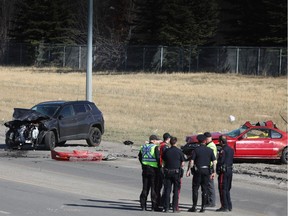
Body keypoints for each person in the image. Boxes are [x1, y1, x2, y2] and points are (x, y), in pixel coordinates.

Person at [186, 134, 217, 213]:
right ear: (205, 141)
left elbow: (192, 161)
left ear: (198, 141)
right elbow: (214, 162)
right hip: (206, 171)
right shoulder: (210, 150)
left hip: (198, 171)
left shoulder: (196, 150)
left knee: (195, 189)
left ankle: (194, 206)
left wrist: (189, 170)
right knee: (205, 189)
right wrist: (214, 172)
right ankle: (203, 207)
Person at [162, 136, 185, 213]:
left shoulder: (166, 151)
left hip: (168, 172)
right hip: (176, 173)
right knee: (176, 191)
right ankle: (175, 208)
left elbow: (163, 160)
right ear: (176, 142)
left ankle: (166, 207)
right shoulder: (179, 151)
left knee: (167, 190)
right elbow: (183, 163)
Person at [138, 134, 161, 211]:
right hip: (154, 170)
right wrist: (160, 167)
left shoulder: (143, 147)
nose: (157, 142)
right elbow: (158, 158)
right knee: (153, 188)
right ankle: (153, 207)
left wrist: (143, 164)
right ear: (154, 140)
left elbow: (140, 157)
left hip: (145, 169)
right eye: (157, 140)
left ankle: (143, 206)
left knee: (145, 188)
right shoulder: (155, 147)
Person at [216, 135, 234, 212]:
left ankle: (224, 206)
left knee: (222, 188)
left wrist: (217, 170)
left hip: (224, 171)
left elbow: (221, 161)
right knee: (227, 189)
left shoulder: (222, 150)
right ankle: (229, 205)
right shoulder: (231, 149)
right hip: (230, 170)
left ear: (221, 142)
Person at [155, 132, 171, 211]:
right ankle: (162, 202)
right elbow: (166, 157)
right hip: (163, 167)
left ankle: (158, 202)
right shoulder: (165, 146)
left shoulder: (160, 145)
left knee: (158, 186)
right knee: (165, 186)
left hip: (158, 166)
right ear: (168, 139)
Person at [204, 132, 217, 207]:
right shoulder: (209, 145)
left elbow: (211, 158)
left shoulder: (211, 146)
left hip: (210, 167)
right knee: (208, 185)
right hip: (209, 167)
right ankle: (209, 201)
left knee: (210, 185)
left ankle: (211, 202)